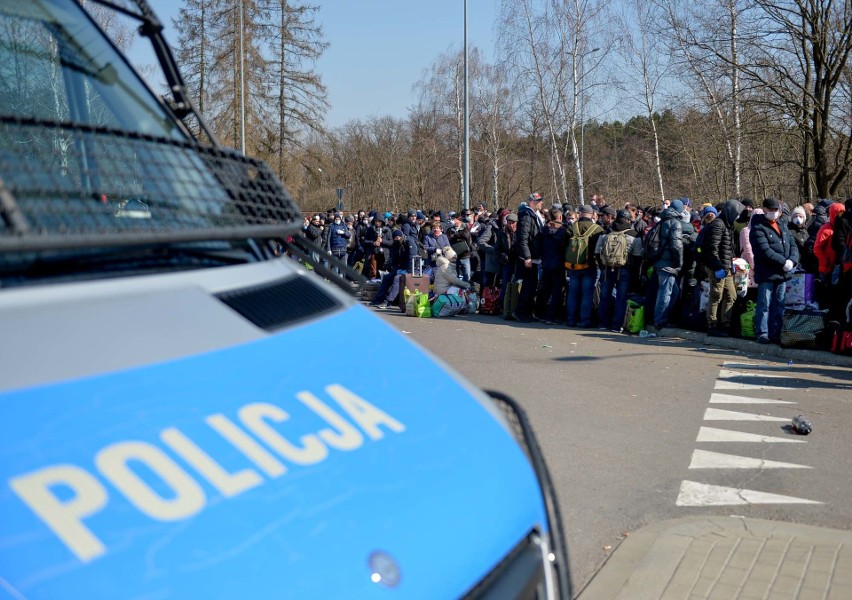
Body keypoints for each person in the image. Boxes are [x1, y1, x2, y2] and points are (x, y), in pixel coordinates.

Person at [749, 197, 800, 344]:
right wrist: (784, 262)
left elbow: (792, 245)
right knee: (764, 304)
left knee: (780, 304)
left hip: (782, 273)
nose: (773, 212)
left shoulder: (782, 225)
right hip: (767, 273)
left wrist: (792, 260)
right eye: (770, 210)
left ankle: (776, 333)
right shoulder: (758, 228)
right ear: (764, 209)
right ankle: (762, 333)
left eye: (775, 210)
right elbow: (764, 250)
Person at [701, 200, 744, 336]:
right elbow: (712, 248)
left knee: (731, 295)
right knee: (716, 295)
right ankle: (712, 325)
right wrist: (717, 267)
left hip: (727, 267)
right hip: (718, 267)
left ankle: (726, 323)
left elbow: (728, 248)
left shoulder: (727, 225)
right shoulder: (718, 224)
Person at [596, 210, 642, 332]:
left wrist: (602, 265)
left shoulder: (606, 232)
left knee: (604, 296)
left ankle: (603, 323)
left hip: (607, 269)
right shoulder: (634, 235)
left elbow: (597, 251)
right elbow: (638, 256)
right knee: (621, 298)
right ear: (628, 220)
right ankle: (617, 325)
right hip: (624, 270)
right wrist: (635, 273)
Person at [564, 204, 603, 328]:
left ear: (580, 213)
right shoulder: (597, 229)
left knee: (573, 293)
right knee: (587, 294)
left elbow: (564, 246)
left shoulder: (571, 227)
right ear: (592, 214)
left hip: (573, 266)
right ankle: (585, 320)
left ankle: (570, 319)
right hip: (590, 266)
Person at [651, 198, 685, 331]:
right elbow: (677, 246)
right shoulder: (675, 223)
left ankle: (662, 317)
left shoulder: (663, 220)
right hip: (668, 263)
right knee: (665, 293)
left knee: (673, 292)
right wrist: (679, 263)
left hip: (659, 260)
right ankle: (660, 320)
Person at [513, 192, 546, 322]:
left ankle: (527, 312)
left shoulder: (533, 215)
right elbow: (523, 238)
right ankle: (520, 312)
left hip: (534, 256)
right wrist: (527, 257)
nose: (541, 203)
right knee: (528, 287)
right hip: (529, 257)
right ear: (532, 202)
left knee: (532, 286)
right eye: (539, 201)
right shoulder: (527, 216)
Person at [537, 207, 567, 324]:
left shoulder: (543, 230)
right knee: (556, 292)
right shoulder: (563, 231)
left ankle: (540, 314)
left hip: (546, 263)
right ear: (560, 217)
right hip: (559, 265)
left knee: (544, 290)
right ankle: (551, 317)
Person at [447, 213, 474, 282]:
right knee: (454, 276)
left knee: (467, 275)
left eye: (453, 219)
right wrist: (458, 237)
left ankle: (466, 290)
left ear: (458, 220)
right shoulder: (450, 229)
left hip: (465, 255)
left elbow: (466, 236)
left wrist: (455, 236)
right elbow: (448, 238)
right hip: (454, 256)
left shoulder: (465, 227)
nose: (452, 221)